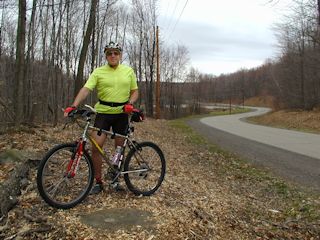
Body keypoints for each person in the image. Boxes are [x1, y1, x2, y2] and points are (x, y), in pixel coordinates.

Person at [64, 41, 139, 194]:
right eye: (109, 53)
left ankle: (115, 178)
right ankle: (98, 181)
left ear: (120, 55)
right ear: (106, 56)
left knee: (119, 147)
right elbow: (86, 89)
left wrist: (130, 103)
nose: (112, 55)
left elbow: (135, 91)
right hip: (103, 113)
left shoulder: (128, 71)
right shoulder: (98, 72)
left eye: (116, 53)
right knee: (96, 148)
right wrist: (74, 105)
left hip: (122, 113)